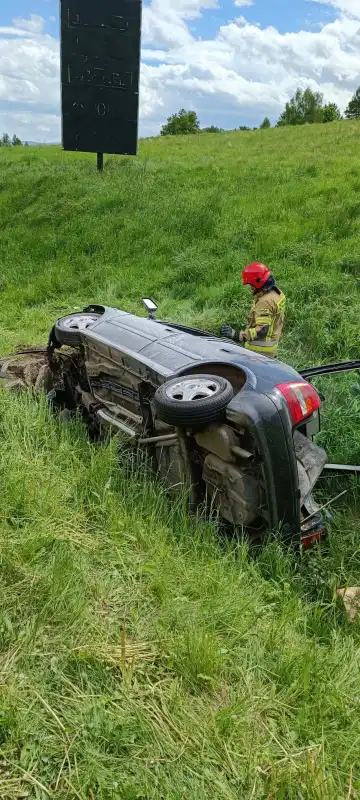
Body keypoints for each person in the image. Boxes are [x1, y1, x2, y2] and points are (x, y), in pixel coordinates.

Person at [220, 263, 286, 359]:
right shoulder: (278, 294)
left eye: (251, 285)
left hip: (259, 351)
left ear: (258, 282)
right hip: (270, 348)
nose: (250, 288)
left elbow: (262, 330)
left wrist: (237, 335)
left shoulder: (265, 301)